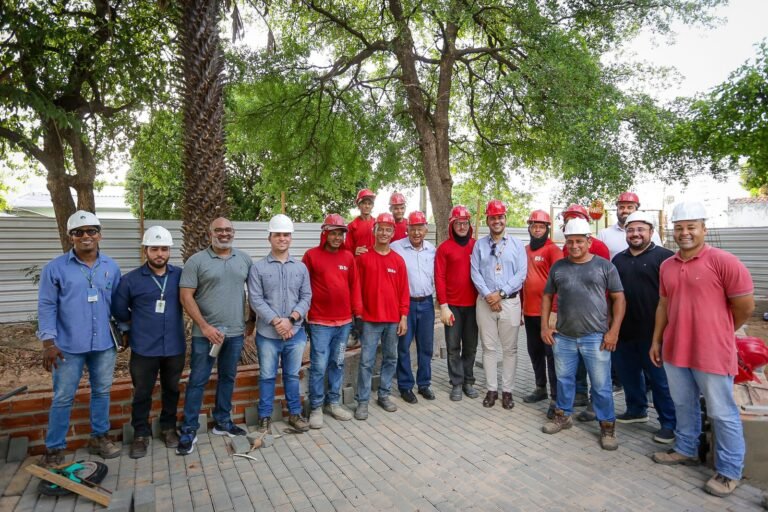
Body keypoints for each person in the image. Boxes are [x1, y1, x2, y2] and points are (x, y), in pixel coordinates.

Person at [650, 201, 754, 498]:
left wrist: (719, 331)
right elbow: (664, 304)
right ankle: (685, 449)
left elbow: (745, 307)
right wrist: (657, 340)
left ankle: (729, 470)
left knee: (722, 412)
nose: (684, 233)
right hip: (675, 349)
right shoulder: (667, 265)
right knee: (683, 404)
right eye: (679, 228)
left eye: (691, 227)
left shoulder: (724, 261)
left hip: (712, 352)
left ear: (704, 229)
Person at [37, 210, 122, 466]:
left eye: (91, 231)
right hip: (67, 346)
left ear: (100, 235)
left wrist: (124, 331)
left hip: (104, 344)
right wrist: (48, 342)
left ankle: (99, 438)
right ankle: (54, 449)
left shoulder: (111, 267)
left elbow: (118, 303)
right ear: (70, 236)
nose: (86, 236)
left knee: (102, 392)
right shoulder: (55, 268)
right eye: (79, 232)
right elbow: (46, 305)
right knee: (63, 396)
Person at [540, 217, 625, 451]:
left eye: (579, 241)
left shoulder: (605, 266)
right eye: (570, 241)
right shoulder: (559, 267)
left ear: (589, 241)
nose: (574, 246)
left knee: (601, 385)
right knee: (564, 380)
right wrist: (545, 327)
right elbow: (547, 296)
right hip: (564, 337)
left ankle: (607, 426)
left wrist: (614, 331)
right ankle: (562, 416)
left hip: (595, 337)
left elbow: (619, 298)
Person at [176, 217, 253, 455]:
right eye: (218, 230)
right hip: (205, 335)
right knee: (197, 380)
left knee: (228, 377)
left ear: (234, 232)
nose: (224, 233)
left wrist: (251, 321)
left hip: (235, 333)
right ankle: (188, 428)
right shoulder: (196, 261)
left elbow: (253, 291)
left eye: (228, 230)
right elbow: (185, 297)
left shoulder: (244, 259)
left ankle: (223, 421)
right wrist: (205, 327)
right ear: (210, 233)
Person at [112, 226, 185, 458]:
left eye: (164, 249)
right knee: (142, 391)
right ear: (145, 250)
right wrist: (129, 328)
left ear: (169, 251)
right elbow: (119, 310)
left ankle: (168, 428)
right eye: (154, 249)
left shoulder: (180, 276)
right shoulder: (130, 280)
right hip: (144, 347)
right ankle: (141, 435)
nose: (159, 254)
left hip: (174, 345)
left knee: (172, 389)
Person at [611, 211, 676, 444]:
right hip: (624, 331)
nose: (635, 234)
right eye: (631, 230)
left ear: (651, 232)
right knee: (629, 376)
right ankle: (636, 410)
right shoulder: (618, 260)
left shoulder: (666, 258)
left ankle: (669, 422)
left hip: (654, 334)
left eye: (640, 229)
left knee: (660, 381)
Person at [249, 214, 312, 434]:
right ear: (270, 237)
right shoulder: (258, 268)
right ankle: (264, 417)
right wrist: (277, 322)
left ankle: (294, 414)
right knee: (267, 376)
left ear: (291, 238)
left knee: (292, 375)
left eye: (286, 235)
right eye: (278, 235)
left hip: (295, 333)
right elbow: (255, 299)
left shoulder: (301, 268)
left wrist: (291, 319)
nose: (282, 238)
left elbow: (306, 297)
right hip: (268, 334)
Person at [302, 214, 360, 429]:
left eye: (340, 233)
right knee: (318, 365)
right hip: (320, 324)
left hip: (344, 324)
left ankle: (333, 403)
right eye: (333, 233)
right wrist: (304, 314)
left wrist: (357, 314)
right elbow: (303, 287)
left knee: (337, 361)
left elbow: (355, 287)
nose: (337, 237)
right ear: (324, 233)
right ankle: (316, 406)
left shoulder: (348, 258)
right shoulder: (311, 256)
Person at [470, 199, 527, 410]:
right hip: (485, 303)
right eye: (493, 217)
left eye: (500, 217)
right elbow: (475, 272)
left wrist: (501, 294)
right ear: (487, 219)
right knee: (488, 347)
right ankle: (492, 390)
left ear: (505, 219)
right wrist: (488, 295)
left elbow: (521, 273)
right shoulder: (479, 245)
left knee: (510, 349)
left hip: (510, 302)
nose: (497, 221)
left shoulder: (516, 245)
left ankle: (508, 391)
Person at [354, 212, 410, 420]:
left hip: (393, 319)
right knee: (366, 362)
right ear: (374, 231)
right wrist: (358, 314)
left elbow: (404, 291)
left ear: (393, 233)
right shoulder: (364, 259)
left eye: (388, 229)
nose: (384, 233)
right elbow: (357, 288)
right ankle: (362, 401)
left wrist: (403, 316)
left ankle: (384, 395)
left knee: (390, 358)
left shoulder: (398, 261)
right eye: (381, 229)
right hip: (370, 320)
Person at [435, 205, 480, 401]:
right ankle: (456, 383)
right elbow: (439, 277)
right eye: (458, 223)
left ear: (469, 225)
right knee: (453, 346)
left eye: (465, 223)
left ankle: (468, 381)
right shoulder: (444, 248)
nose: (462, 226)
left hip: (474, 306)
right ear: (452, 225)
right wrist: (443, 306)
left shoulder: (477, 246)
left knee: (470, 346)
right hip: (452, 306)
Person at [521, 210, 563, 419]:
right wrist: (520, 309)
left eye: (541, 226)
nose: (537, 229)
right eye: (534, 226)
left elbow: (559, 282)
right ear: (529, 228)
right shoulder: (525, 250)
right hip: (529, 312)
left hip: (547, 315)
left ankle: (556, 397)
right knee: (534, 351)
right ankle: (540, 388)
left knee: (552, 356)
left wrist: (554, 310)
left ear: (547, 229)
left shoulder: (553, 250)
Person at [391, 211, 436, 403]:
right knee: (404, 346)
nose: (417, 232)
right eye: (413, 228)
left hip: (426, 303)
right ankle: (405, 386)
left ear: (426, 229)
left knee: (426, 347)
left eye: (420, 228)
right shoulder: (396, 248)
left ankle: (424, 384)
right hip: (405, 305)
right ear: (407, 229)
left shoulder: (432, 249)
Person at [597, 192, 662, 260]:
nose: (625, 210)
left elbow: (659, 257)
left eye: (630, 207)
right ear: (617, 210)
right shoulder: (604, 234)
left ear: (636, 210)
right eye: (621, 207)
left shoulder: (650, 233)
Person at [345, 188, 376, 256]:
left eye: (369, 203)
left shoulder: (377, 224)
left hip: (375, 262)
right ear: (359, 205)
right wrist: (354, 251)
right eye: (364, 203)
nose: (367, 206)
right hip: (359, 262)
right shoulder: (352, 226)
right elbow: (347, 249)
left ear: (372, 206)